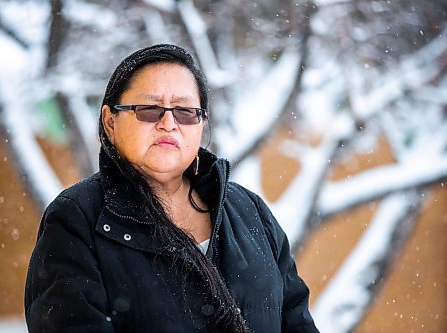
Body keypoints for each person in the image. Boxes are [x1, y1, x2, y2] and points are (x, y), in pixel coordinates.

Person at [25, 44, 319, 333]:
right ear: (110, 121)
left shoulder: (249, 211)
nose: (168, 123)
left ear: (201, 123)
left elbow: (295, 319)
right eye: (149, 109)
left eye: (185, 111)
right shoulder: (78, 219)